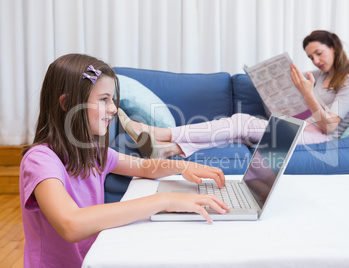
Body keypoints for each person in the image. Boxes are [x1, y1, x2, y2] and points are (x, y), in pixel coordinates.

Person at [20, 54, 230, 267]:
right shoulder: (40, 160)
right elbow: (71, 224)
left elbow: (144, 166)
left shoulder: (92, 152)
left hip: (94, 260)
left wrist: (183, 165)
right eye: (104, 99)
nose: (113, 109)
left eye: (112, 99)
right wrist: (166, 200)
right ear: (67, 103)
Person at [119, 30, 349, 158]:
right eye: (311, 56)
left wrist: (307, 94)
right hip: (301, 126)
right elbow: (301, 111)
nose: (316, 60)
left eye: (319, 53)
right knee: (237, 137)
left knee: (241, 122)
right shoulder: (317, 76)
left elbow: (330, 127)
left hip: (321, 137)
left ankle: (159, 133)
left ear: (334, 47)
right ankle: (167, 150)